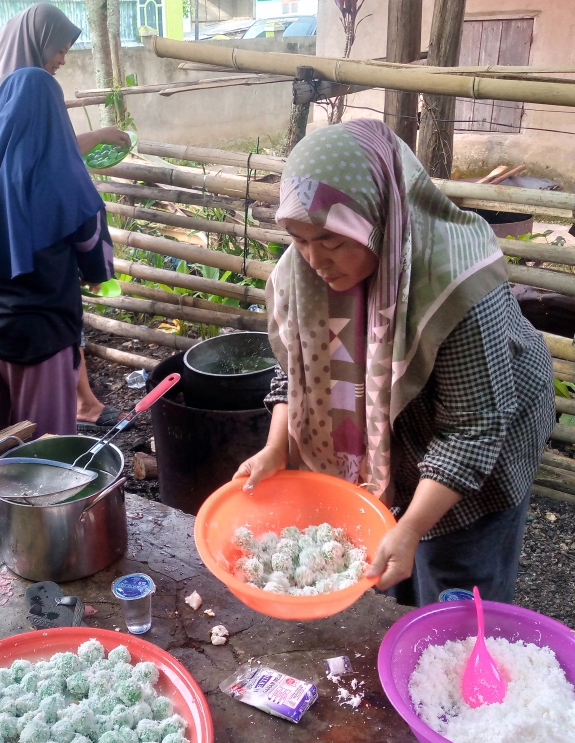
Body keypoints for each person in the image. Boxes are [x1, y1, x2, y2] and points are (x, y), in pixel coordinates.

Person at [234, 119, 555, 607]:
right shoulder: (301, 275)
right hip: (396, 444)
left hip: (481, 438)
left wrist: (411, 527)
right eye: (299, 239)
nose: (314, 259)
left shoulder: (454, 284)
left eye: (332, 241)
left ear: (379, 219)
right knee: (390, 576)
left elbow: (474, 429)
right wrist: (276, 448)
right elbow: (294, 370)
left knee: (455, 582)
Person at [0, 2, 128, 431]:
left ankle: (76, 402)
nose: (62, 58)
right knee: (45, 445)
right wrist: (96, 271)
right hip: (32, 272)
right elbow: (48, 155)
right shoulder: (30, 88)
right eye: (58, 49)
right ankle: (76, 409)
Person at [0, 67, 115, 438]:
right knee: (42, 453)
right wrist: (93, 276)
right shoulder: (67, 177)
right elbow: (96, 257)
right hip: (36, 336)